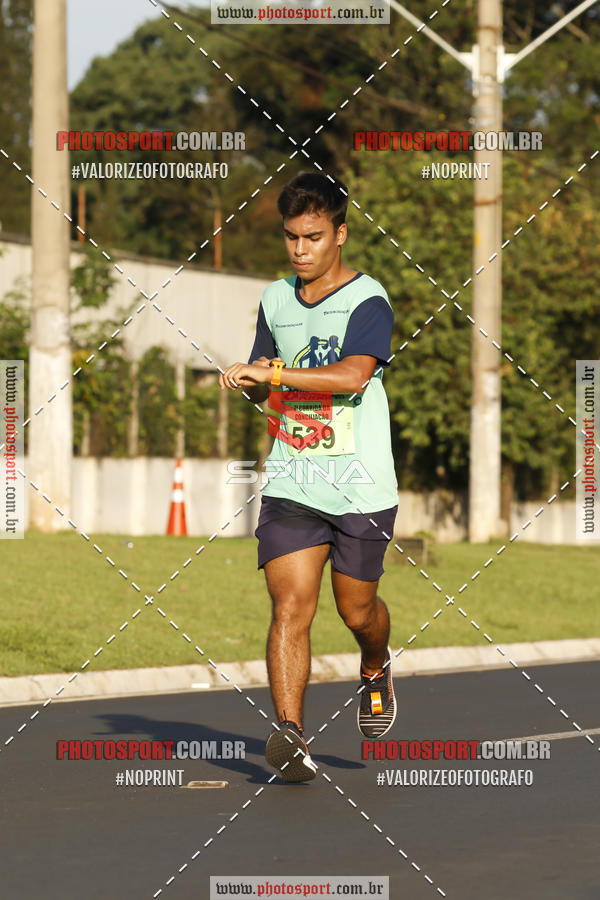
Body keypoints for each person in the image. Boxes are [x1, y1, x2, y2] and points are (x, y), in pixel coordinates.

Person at [219, 172, 398, 783]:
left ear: (340, 235)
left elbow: (352, 377)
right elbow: (274, 367)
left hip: (360, 483)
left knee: (357, 612)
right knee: (290, 606)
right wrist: (255, 374)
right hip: (294, 477)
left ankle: (375, 666)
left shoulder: (369, 300)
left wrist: (273, 378)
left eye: (314, 237)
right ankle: (292, 735)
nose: (300, 250)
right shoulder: (273, 299)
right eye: (291, 237)